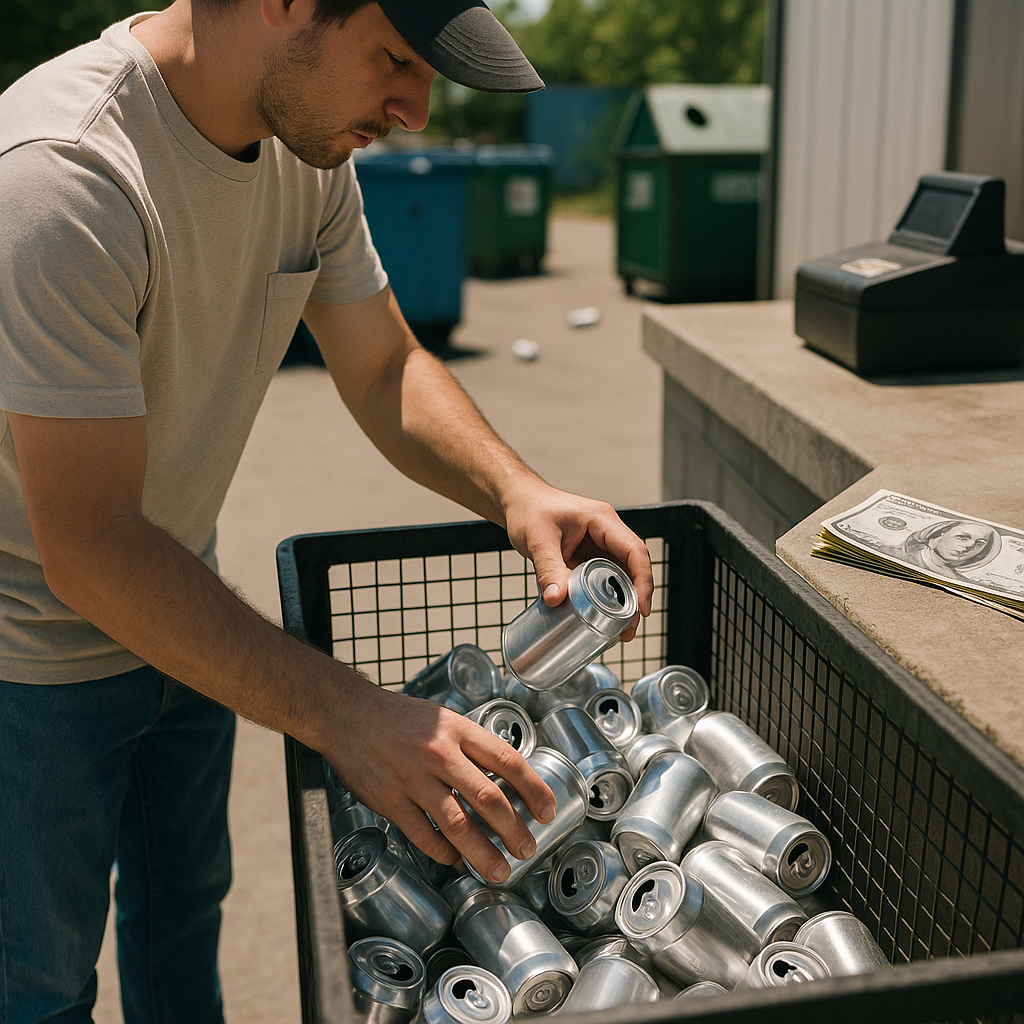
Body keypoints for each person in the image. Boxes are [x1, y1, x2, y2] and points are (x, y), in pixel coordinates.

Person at [0, 1, 654, 1020]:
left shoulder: (301, 150)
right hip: (29, 663)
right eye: (394, 58)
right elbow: (86, 547)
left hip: (184, 608)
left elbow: (383, 361)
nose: (417, 110)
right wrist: (351, 714)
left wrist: (515, 488)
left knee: (182, 925)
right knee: (38, 983)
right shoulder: (63, 175)